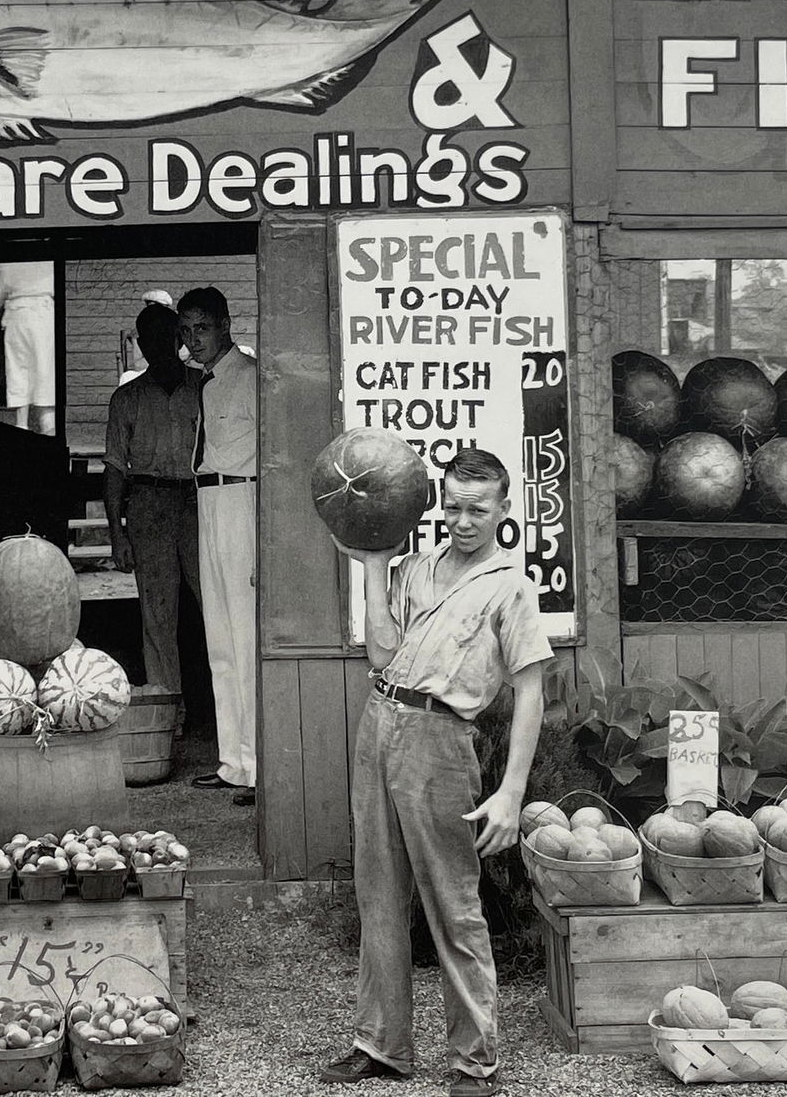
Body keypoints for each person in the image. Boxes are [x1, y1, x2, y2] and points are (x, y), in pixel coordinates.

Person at [318, 447, 551, 1094]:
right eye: (453, 507)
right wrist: (370, 566)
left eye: (478, 508)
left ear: (504, 509)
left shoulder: (509, 586)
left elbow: (530, 692)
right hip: (381, 719)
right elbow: (381, 652)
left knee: (452, 903)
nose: (464, 520)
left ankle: (474, 1060)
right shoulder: (415, 570)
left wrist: (511, 792)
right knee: (378, 893)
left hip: (442, 741)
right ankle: (381, 1044)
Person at [178, 286, 257, 807]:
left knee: (247, 638)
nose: (192, 339)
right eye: (185, 330)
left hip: (244, 500)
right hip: (208, 503)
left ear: (226, 324)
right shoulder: (202, 385)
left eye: (201, 328)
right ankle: (234, 761)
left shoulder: (250, 378)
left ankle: (259, 766)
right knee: (220, 639)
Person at [103, 303, 203, 706]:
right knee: (157, 614)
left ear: (179, 337)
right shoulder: (126, 398)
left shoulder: (204, 386)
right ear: (140, 344)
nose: (161, 344)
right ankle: (167, 711)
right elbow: (113, 469)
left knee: (217, 604)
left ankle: (228, 708)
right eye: (151, 337)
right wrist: (116, 534)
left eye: (169, 334)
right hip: (149, 504)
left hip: (199, 501)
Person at [0, 261, 56, 434]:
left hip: (21, 315)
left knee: (21, 369)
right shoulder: (46, 263)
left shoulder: (12, 265)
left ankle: (26, 422)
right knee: (44, 367)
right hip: (43, 315)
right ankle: (46, 420)